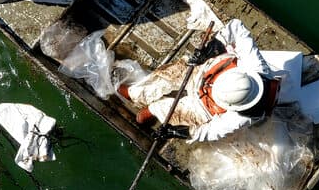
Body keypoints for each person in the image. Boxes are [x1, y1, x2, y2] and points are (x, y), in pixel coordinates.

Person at [118, 19, 280, 142]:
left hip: (204, 108)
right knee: (168, 75)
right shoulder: (256, 67)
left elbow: (211, 131)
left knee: (166, 109)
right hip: (206, 71)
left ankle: (152, 110)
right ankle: (135, 94)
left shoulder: (243, 116)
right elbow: (236, 26)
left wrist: (177, 132)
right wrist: (210, 51)